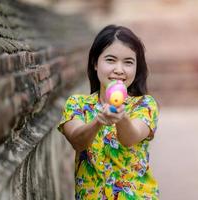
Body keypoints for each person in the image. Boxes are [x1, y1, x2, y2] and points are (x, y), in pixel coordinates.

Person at [58, 24, 159, 200]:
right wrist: (98, 121)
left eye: (128, 62)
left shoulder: (145, 104)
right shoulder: (77, 104)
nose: (119, 70)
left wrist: (120, 117)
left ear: (137, 68)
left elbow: (130, 138)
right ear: (95, 63)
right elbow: (77, 140)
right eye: (110, 60)